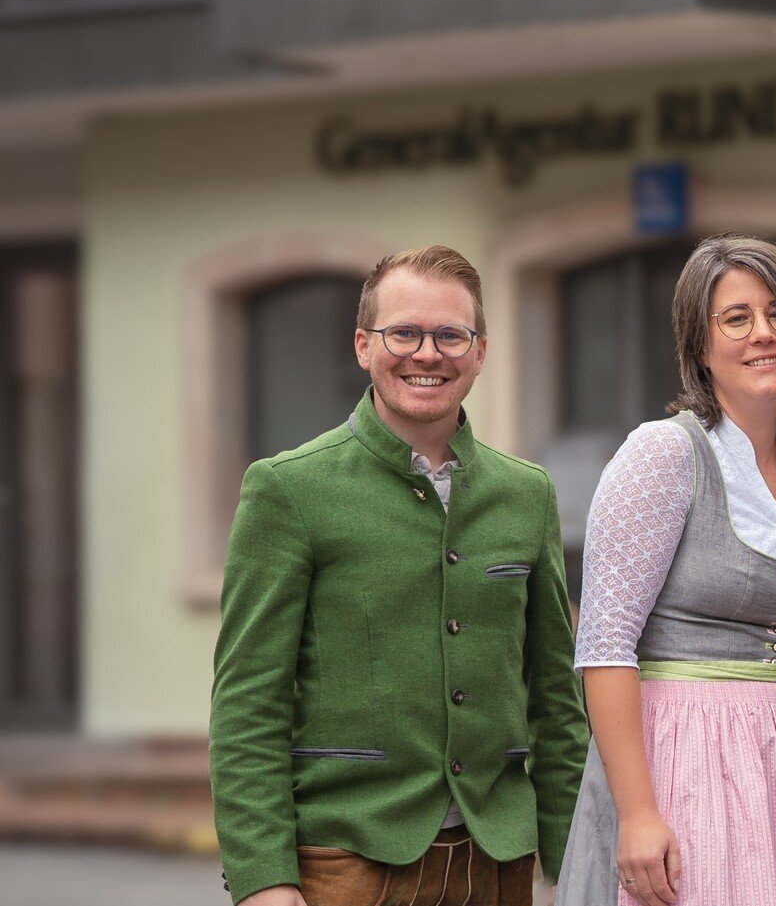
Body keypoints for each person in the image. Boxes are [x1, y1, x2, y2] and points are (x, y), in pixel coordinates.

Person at [210, 246, 586, 906]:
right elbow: (248, 705)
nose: (427, 354)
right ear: (363, 345)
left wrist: (569, 864)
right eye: (403, 333)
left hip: (498, 868)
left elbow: (556, 701)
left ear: (480, 351)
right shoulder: (288, 489)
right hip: (346, 866)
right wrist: (263, 879)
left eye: (450, 335)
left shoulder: (527, 494)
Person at [553, 234, 776, 906]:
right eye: (737, 318)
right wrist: (638, 812)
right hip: (679, 762)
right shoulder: (664, 454)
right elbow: (605, 647)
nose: (764, 333)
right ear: (699, 345)